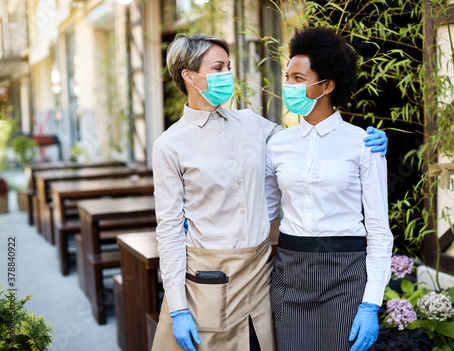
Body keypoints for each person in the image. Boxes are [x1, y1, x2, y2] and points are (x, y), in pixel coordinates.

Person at [151, 33, 388, 351]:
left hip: (267, 272)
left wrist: (376, 144)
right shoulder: (170, 145)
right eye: (218, 68)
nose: (228, 76)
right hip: (215, 274)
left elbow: (311, 142)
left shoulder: (253, 125)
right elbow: (169, 231)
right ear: (189, 75)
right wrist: (178, 307)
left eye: (228, 67)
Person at [265, 27, 394, 351]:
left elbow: (379, 229)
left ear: (327, 85)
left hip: (345, 277)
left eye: (298, 78)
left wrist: (371, 303)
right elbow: (261, 213)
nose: (288, 86)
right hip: (290, 275)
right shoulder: (277, 144)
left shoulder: (364, 144)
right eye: (288, 77)